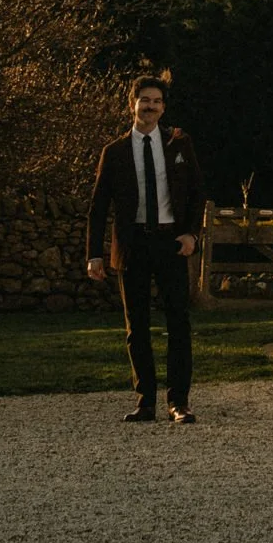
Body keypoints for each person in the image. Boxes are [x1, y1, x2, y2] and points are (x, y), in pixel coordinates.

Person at [87, 71, 206, 424]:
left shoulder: (180, 145)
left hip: (171, 242)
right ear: (132, 105)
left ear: (163, 107)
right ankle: (146, 402)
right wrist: (94, 254)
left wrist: (191, 235)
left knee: (178, 322)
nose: (150, 106)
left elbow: (198, 194)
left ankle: (179, 403)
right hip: (132, 243)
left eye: (156, 101)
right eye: (145, 101)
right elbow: (98, 207)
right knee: (136, 326)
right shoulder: (115, 152)